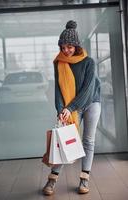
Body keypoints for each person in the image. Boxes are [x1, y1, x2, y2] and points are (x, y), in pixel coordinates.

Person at [42, 20, 101, 195]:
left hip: (91, 101)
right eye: (63, 47)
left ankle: (84, 178)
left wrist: (71, 107)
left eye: (70, 46)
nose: (66, 50)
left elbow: (88, 88)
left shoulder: (88, 62)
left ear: (76, 45)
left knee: (88, 141)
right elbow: (58, 89)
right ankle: (52, 180)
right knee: (62, 140)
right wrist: (61, 109)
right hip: (69, 106)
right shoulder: (58, 62)